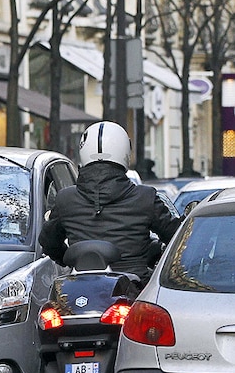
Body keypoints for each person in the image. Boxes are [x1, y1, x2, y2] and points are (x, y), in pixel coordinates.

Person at [39, 121, 181, 284]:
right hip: (135, 287)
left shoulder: (65, 199)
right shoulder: (145, 197)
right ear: (125, 151)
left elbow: (48, 241)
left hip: (80, 287)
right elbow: (176, 236)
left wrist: (67, 259)